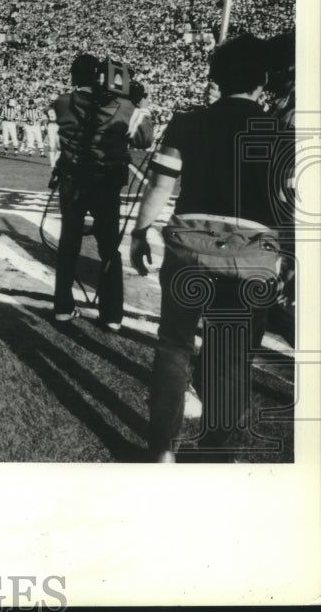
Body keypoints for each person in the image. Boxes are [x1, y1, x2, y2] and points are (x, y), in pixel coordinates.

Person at [130, 35, 289, 463]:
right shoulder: (278, 130)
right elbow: (287, 204)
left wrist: (139, 233)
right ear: (264, 80)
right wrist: (289, 260)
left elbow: (161, 185)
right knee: (232, 355)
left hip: (190, 248)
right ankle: (218, 450)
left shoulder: (187, 122)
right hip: (252, 255)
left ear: (215, 78)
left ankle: (162, 447)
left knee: (175, 346)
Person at [52, 53, 153, 330]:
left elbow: (80, 104)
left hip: (72, 181)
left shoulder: (61, 103)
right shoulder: (122, 106)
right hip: (106, 184)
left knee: (68, 244)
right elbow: (145, 140)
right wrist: (140, 106)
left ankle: (62, 307)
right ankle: (111, 316)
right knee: (110, 249)